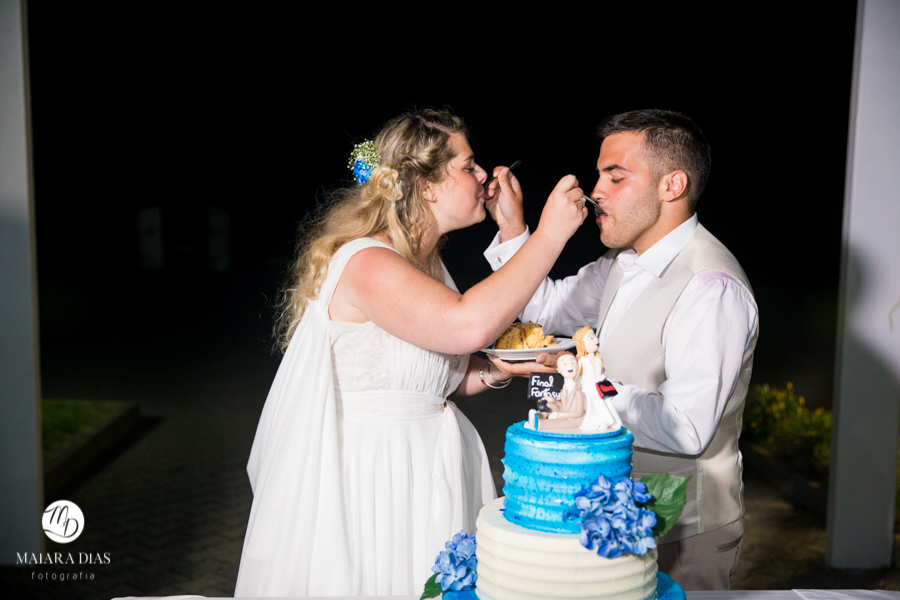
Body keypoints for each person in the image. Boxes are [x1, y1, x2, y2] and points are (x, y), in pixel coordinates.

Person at [235, 109, 587, 597]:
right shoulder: (367, 262)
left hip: (431, 466)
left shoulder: (427, 265)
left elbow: (438, 378)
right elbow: (466, 324)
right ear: (426, 187)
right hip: (374, 476)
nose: (483, 174)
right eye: (468, 166)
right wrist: (549, 235)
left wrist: (495, 371)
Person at [483, 109, 759, 591]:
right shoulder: (621, 262)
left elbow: (686, 428)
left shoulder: (711, 287)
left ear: (672, 185)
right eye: (598, 176)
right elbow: (544, 306)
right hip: (611, 512)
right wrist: (513, 228)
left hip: (684, 528)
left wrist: (577, 380)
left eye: (615, 177)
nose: (595, 192)